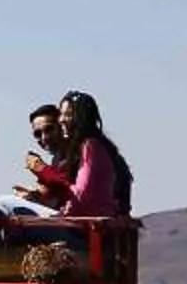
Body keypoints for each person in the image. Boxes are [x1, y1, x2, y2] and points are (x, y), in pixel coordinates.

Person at [57, 90, 135, 220]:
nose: (61, 120)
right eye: (61, 114)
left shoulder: (91, 147)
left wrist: (48, 176)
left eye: (68, 115)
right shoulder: (97, 146)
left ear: (82, 118)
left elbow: (81, 195)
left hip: (87, 225)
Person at [16, 102, 75, 210]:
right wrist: (35, 196)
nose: (44, 138)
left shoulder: (78, 152)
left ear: (62, 127)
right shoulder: (57, 158)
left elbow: (73, 191)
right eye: (38, 134)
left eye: (49, 129)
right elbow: (56, 198)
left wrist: (41, 169)